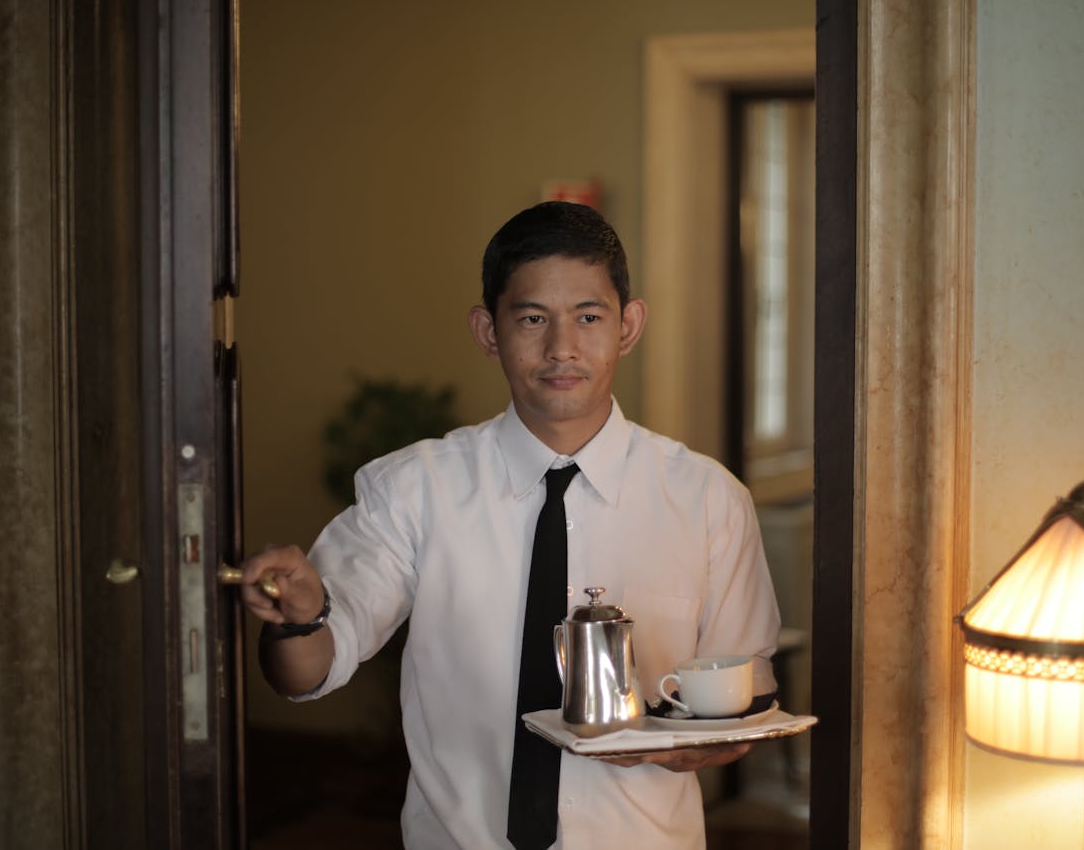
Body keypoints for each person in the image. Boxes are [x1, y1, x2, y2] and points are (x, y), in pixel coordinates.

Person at [241, 201, 781, 849]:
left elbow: (743, 701)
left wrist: (689, 750)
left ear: (629, 326)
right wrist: (298, 614)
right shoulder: (414, 490)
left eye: (588, 316)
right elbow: (307, 669)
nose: (562, 348)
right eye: (531, 318)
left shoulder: (709, 500)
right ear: (488, 330)